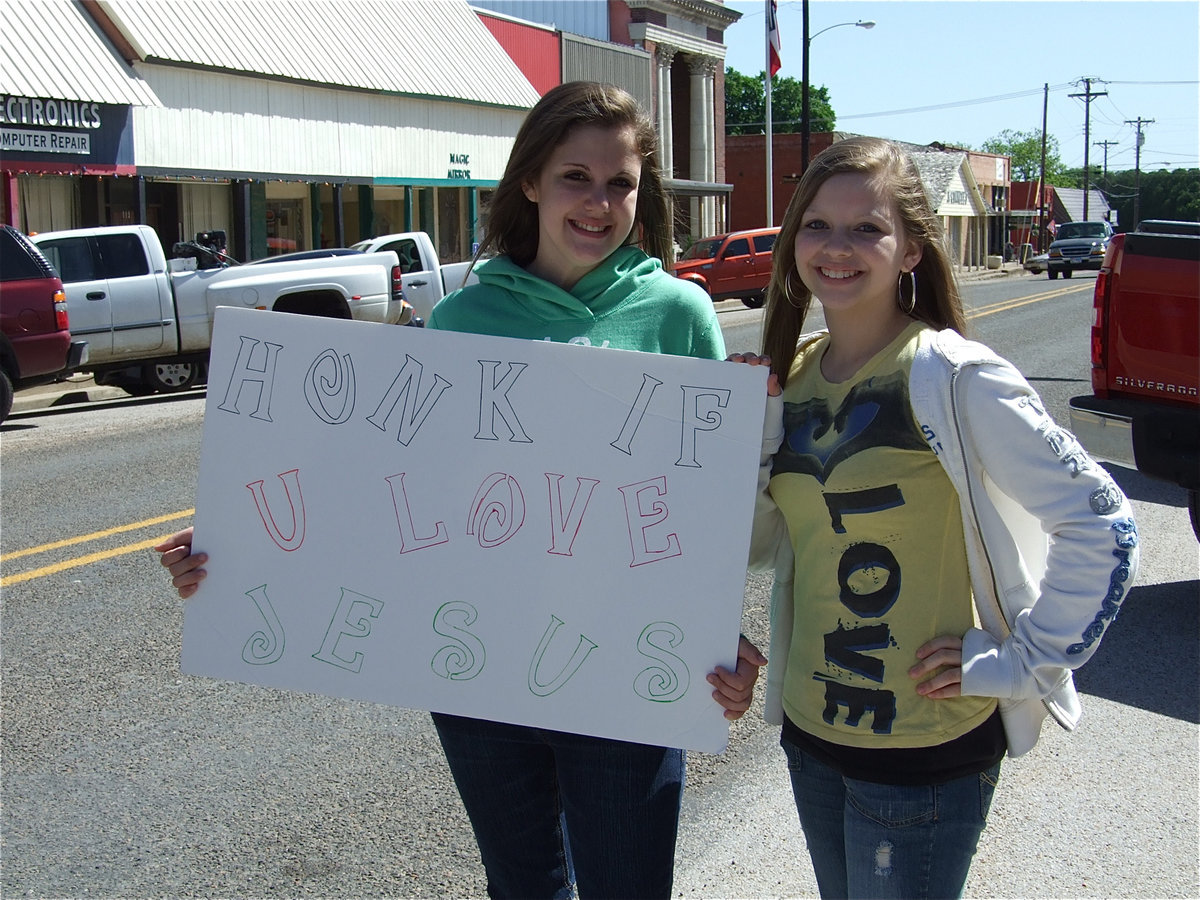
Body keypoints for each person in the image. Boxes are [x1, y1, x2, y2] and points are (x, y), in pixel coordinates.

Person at [156, 81, 766, 899]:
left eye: (619, 182)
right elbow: (387, 495)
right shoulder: (461, 323)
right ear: (530, 182)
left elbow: (698, 507)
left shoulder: (679, 313)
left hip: (627, 667)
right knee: (521, 888)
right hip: (482, 671)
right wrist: (232, 553)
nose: (598, 202)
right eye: (573, 178)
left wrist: (717, 631)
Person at [729, 136, 1138, 899]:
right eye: (816, 225)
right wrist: (755, 432)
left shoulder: (955, 377)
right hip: (812, 734)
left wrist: (1023, 663)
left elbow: (1104, 526)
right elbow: (761, 547)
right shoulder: (797, 374)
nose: (837, 248)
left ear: (912, 249)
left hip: (925, 750)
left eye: (867, 229)